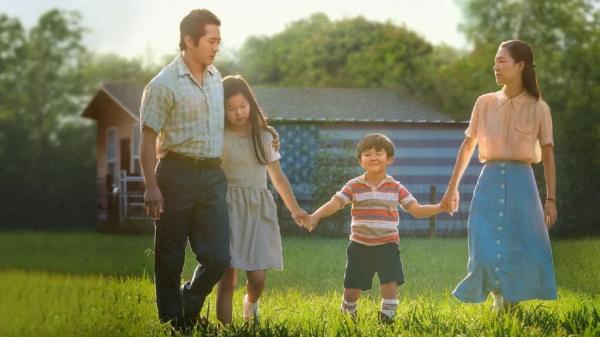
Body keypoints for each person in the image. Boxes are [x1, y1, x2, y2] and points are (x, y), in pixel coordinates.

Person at [440, 40, 558, 311]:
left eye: (502, 61)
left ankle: (510, 303)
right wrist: (452, 188)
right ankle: (498, 296)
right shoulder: (484, 103)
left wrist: (551, 198)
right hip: (489, 181)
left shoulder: (540, 108)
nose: (496, 66)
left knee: (523, 246)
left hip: (523, 184)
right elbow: (468, 145)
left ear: (520, 65)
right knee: (482, 245)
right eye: (495, 60)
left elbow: (549, 155)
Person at [139, 9, 229, 330]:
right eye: (211, 40)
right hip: (175, 174)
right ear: (189, 41)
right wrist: (151, 186)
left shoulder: (217, 77)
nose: (216, 46)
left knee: (219, 255)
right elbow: (148, 138)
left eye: (219, 40)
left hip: (212, 175)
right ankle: (172, 322)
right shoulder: (163, 84)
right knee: (170, 256)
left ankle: (188, 302)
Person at [304, 133, 452, 323]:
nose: (373, 157)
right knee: (352, 287)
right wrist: (315, 216)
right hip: (359, 245)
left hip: (387, 245)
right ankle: (348, 314)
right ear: (360, 161)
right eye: (367, 154)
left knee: (390, 282)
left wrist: (440, 207)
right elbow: (336, 202)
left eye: (378, 153)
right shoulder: (354, 185)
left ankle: (387, 316)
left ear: (389, 159)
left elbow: (416, 210)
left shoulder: (396, 187)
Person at [215, 75, 308, 324]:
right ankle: (226, 327)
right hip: (226, 209)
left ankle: (251, 304)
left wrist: (295, 209)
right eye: (231, 108)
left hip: (257, 209)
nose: (239, 113)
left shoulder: (265, 136)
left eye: (243, 106)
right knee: (227, 278)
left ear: (251, 103)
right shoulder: (218, 137)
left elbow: (277, 176)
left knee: (257, 277)